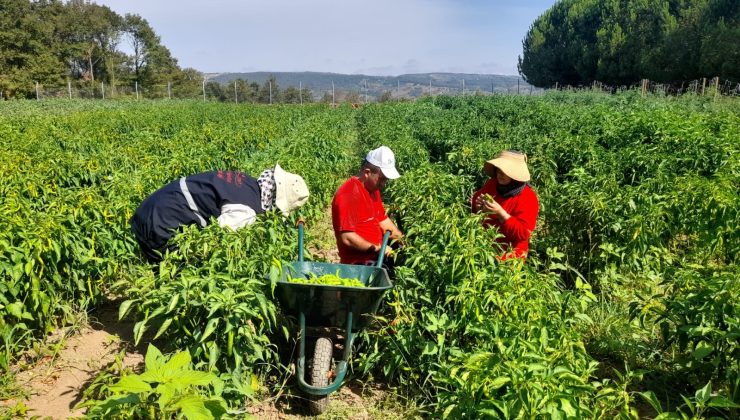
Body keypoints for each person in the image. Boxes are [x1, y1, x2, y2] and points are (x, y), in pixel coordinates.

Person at [130, 164, 309, 263]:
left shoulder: (248, 183)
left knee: (164, 271)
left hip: (153, 206)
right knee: (177, 275)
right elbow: (218, 241)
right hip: (162, 220)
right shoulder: (245, 211)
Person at [332, 146, 403, 266]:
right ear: (367, 173)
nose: (383, 184)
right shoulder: (349, 194)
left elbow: (382, 220)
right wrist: (378, 249)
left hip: (375, 257)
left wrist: (404, 241)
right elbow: (347, 238)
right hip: (359, 264)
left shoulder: (373, 190)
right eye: (381, 179)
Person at [471, 150, 539, 261]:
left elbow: (523, 233)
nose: (499, 174)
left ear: (515, 174)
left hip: (509, 257)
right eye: (498, 170)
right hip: (485, 248)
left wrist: (501, 213)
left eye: (505, 171)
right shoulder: (492, 184)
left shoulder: (528, 197)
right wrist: (478, 207)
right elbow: (476, 201)